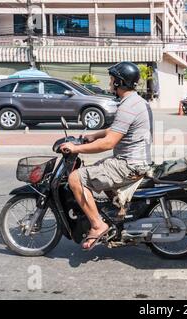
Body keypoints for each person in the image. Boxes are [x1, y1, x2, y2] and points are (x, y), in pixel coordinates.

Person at [60, 62, 153, 251]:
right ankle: (119, 212)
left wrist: (75, 149)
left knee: (76, 178)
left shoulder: (128, 106)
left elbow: (109, 143)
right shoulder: (136, 101)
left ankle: (97, 224)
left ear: (119, 82)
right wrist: (95, 135)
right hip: (135, 161)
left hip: (128, 164)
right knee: (98, 169)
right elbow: (117, 129)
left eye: (112, 79)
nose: (110, 83)